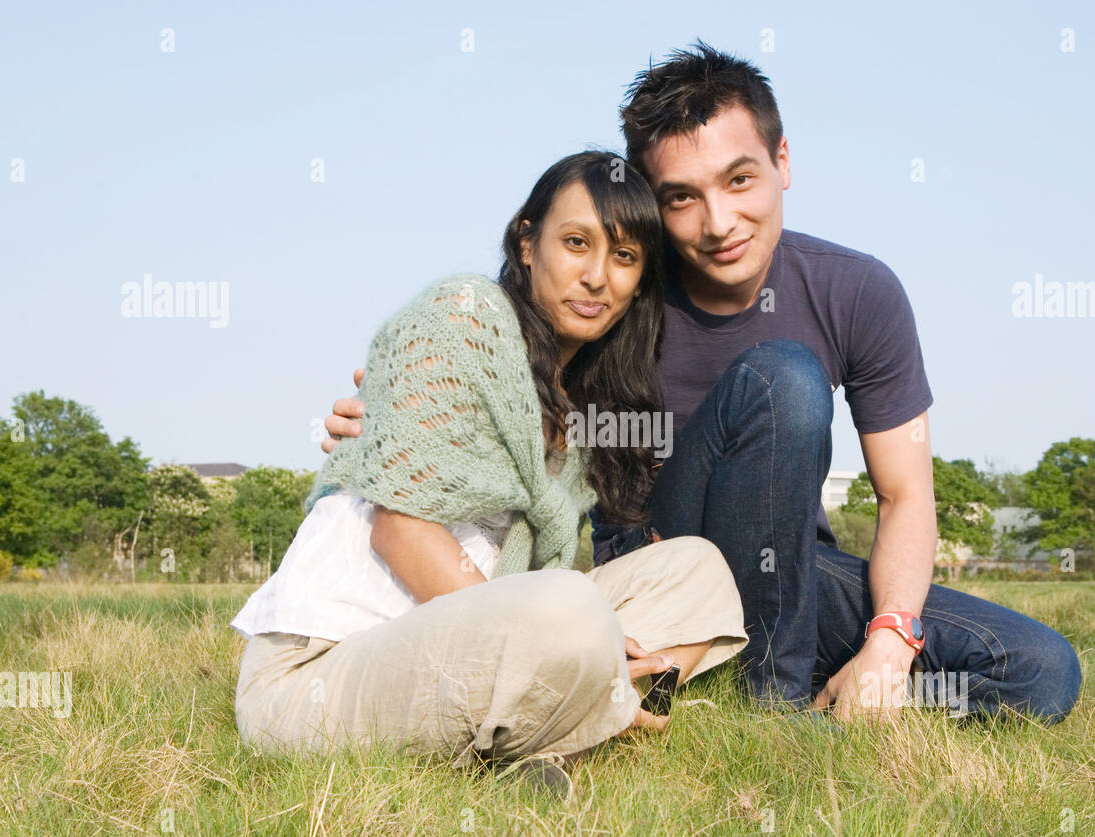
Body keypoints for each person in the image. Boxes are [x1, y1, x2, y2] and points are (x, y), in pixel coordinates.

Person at [324, 44, 1081, 724]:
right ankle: (773, 710)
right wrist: (395, 419)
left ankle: (833, 693)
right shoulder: (614, 294)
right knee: (784, 377)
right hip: (660, 559)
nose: (719, 222)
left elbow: (905, 495)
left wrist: (889, 642)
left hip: (792, 563)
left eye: (740, 179)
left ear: (784, 161)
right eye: (682, 197)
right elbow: (491, 378)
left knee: (1041, 672)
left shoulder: (859, 291)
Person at [233, 151, 748, 784]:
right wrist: (556, 637)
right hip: (318, 672)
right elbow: (399, 528)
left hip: (454, 652)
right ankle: (583, 720)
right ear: (527, 243)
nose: (596, 277)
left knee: (700, 571)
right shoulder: (464, 318)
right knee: (568, 610)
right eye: (576, 243)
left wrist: (554, 636)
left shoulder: (582, 407)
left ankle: (558, 726)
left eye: (623, 257)